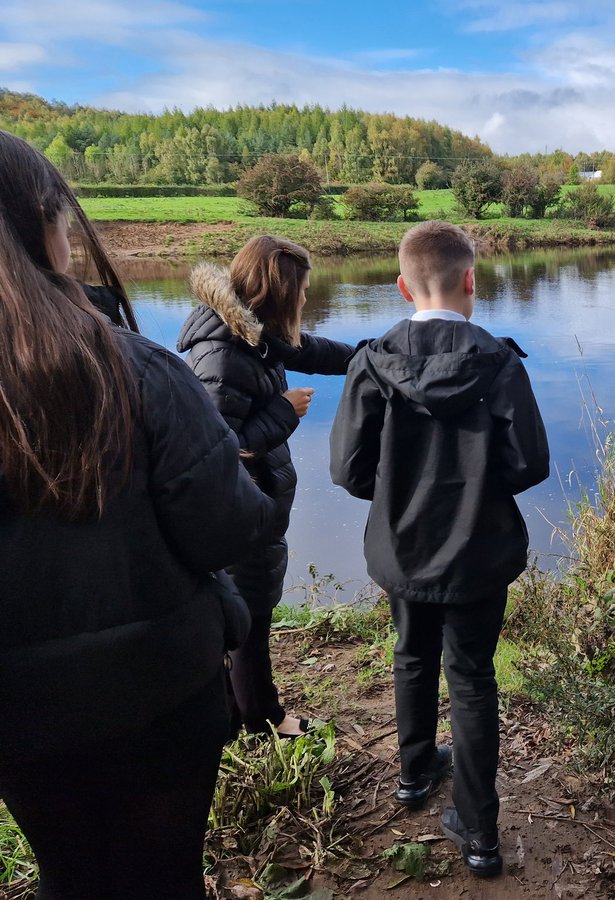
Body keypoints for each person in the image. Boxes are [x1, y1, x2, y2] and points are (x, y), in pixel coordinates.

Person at [0, 129, 279, 899]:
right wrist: (269, 448)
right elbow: (229, 526)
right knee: (163, 876)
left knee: (70, 873)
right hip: (159, 691)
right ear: (48, 228)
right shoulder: (138, 368)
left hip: (17, 715)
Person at [329, 220, 550, 878]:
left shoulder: (371, 361)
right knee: (474, 679)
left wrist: (396, 492)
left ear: (402, 286)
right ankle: (480, 834)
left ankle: (414, 772)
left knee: (411, 656)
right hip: (479, 552)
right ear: (471, 281)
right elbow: (529, 463)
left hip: (402, 548)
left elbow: (347, 469)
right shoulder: (499, 361)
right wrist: (479, 488)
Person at [178, 236, 356, 737]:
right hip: (239, 508)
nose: (305, 300)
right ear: (278, 294)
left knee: (250, 612)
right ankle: (263, 717)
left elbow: (311, 349)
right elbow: (217, 448)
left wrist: (368, 354)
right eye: (301, 291)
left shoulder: (251, 334)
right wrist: (282, 411)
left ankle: (238, 713)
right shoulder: (223, 353)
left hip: (255, 501)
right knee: (250, 615)